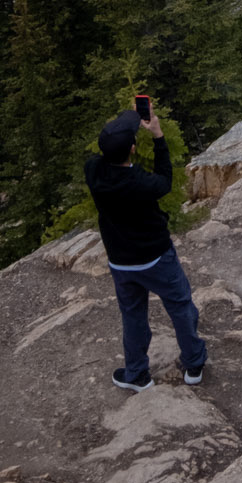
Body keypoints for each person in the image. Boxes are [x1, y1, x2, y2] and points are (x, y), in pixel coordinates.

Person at [84, 103, 207, 392]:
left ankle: (137, 373)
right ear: (133, 149)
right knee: (179, 306)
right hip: (156, 257)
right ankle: (194, 362)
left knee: (133, 316)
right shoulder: (139, 181)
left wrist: (125, 127)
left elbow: (107, 155)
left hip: (121, 262)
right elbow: (164, 180)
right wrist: (158, 135)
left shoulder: (93, 171)